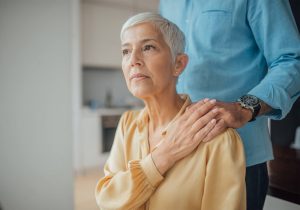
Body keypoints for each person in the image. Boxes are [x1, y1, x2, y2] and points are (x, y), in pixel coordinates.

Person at [95, 12, 246, 210]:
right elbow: (107, 200)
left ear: (178, 64)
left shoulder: (217, 137)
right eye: (126, 51)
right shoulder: (127, 124)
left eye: (148, 47)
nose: (133, 60)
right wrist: (162, 157)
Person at [159, 1, 300, 209]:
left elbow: (291, 60)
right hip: (175, 156)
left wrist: (243, 107)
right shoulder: (167, 3)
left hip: (239, 160)